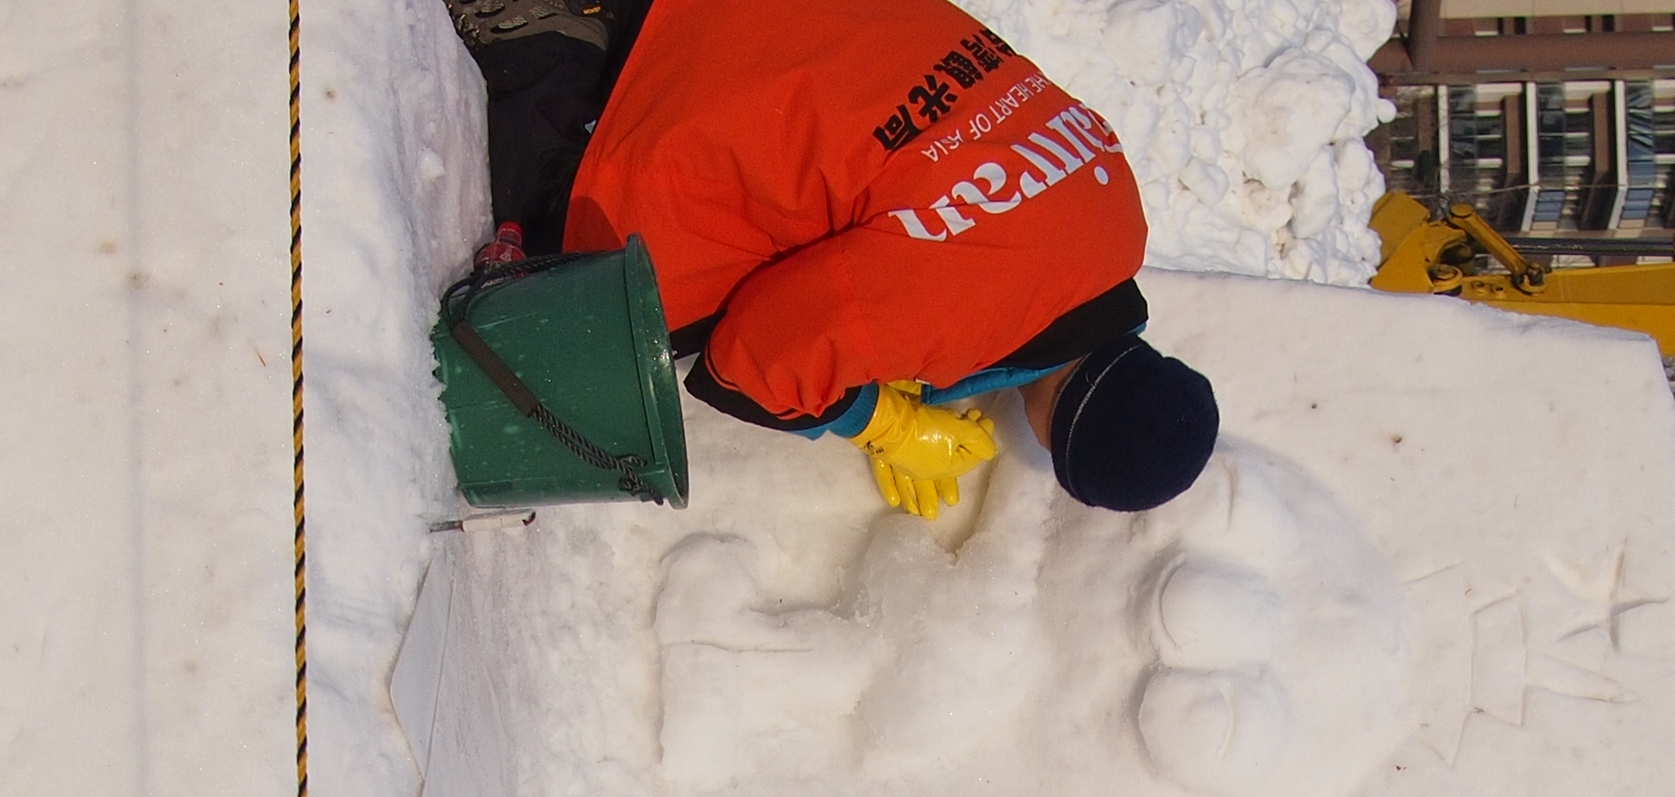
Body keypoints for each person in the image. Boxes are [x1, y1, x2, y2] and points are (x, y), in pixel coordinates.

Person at [456, 0, 1220, 517]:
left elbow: (948, 221)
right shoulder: (960, 311)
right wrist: (876, 417)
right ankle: (546, 46)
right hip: (672, 80)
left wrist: (897, 340)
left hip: (786, 26)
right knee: (604, 320)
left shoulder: (1116, 208)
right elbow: (749, 365)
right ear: (1062, 436)